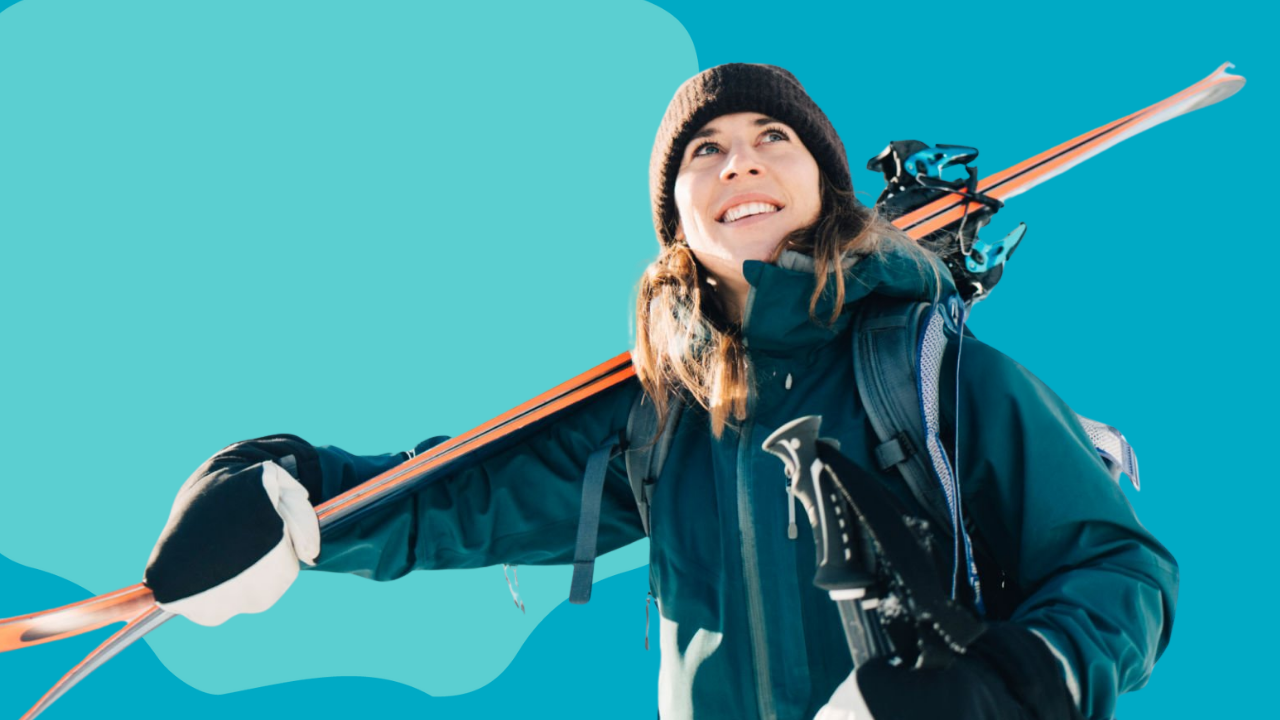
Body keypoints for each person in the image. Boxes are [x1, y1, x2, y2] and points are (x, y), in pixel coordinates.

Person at [142, 64, 1177, 720]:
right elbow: (456, 494)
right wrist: (289, 494)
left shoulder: (925, 370)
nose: (741, 162)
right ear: (675, 214)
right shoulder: (657, 416)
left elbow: (1116, 566)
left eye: (775, 139)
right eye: (705, 149)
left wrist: (1006, 689)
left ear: (822, 185)